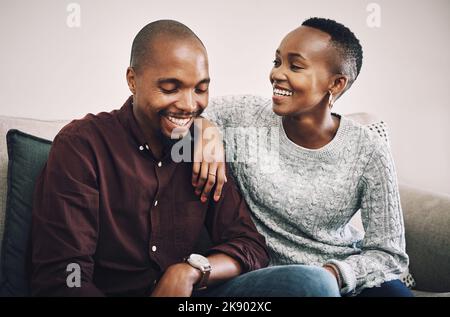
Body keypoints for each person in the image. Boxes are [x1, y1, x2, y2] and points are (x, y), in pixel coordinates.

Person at [30, 20, 272, 297]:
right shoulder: (82, 146)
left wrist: (190, 271)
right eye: (170, 88)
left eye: (200, 89)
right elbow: (64, 277)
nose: (189, 105)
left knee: (304, 284)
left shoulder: (201, 146)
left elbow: (250, 245)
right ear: (132, 80)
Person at [198, 17, 413, 297]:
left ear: (335, 84)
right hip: (268, 277)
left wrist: (334, 274)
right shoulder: (246, 115)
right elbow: (191, 109)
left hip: (338, 273)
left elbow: (389, 254)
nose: (277, 74)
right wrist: (206, 130)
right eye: (277, 62)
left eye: (295, 66)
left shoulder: (369, 150)